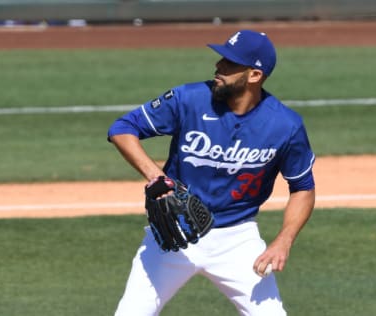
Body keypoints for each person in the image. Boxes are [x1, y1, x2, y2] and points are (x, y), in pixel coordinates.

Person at [107, 29, 316, 316]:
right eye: (221, 58)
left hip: (238, 241)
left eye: (230, 63)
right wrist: (156, 176)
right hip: (172, 237)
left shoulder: (285, 126)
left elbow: (302, 187)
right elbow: (122, 129)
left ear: (254, 75)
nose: (218, 66)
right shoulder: (188, 99)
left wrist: (284, 240)